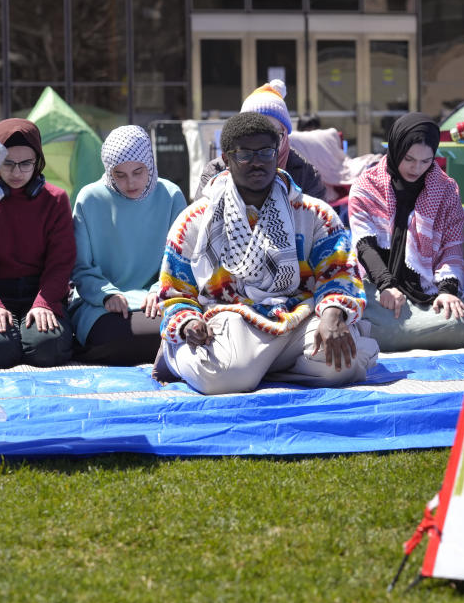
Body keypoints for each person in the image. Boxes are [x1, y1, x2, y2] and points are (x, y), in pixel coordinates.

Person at [155, 112, 378, 395]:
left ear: (278, 153)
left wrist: (333, 313)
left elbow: (341, 275)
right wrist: (187, 320)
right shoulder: (196, 219)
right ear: (226, 159)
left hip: (299, 316)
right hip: (231, 319)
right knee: (220, 379)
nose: (258, 161)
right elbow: (175, 291)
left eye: (265, 152)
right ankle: (178, 356)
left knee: (344, 364)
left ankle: (257, 367)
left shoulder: (315, 214)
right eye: (245, 154)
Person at [348, 113, 464, 352]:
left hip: (430, 290)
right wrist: (386, 285)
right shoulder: (366, 187)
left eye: (426, 161)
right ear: (396, 149)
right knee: (361, 318)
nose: (416, 168)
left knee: (457, 323)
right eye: (409, 159)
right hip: (377, 285)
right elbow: (364, 245)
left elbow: (452, 249)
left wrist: (447, 292)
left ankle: (390, 333)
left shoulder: (446, 190)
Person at [0, 118, 75, 368]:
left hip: (42, 291)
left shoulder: (56, 200)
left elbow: (61, 262)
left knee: (48, 349)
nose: (17, 172)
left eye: (26, 163)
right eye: (7, 163)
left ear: (38, 161)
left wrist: (45, 302)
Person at [69, 125, 187, 365]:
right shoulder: (89, 198)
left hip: (158, 301)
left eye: (138, 171)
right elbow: (80, 267)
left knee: (173, 332)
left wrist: (159, 290)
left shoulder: (171, 195)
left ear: (150, 164)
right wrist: (107, 294)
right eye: (119, 175)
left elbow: (181, 261)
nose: (130, 182)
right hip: (100, 305)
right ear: (108, 171)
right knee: (115, 337)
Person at [193, 80, 327, 202]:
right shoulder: (216, 171)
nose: (262, 144)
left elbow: (319, 223)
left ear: (285, 135)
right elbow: (198, 222)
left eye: (273, 135)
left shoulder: (305, 174)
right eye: (253, 133)